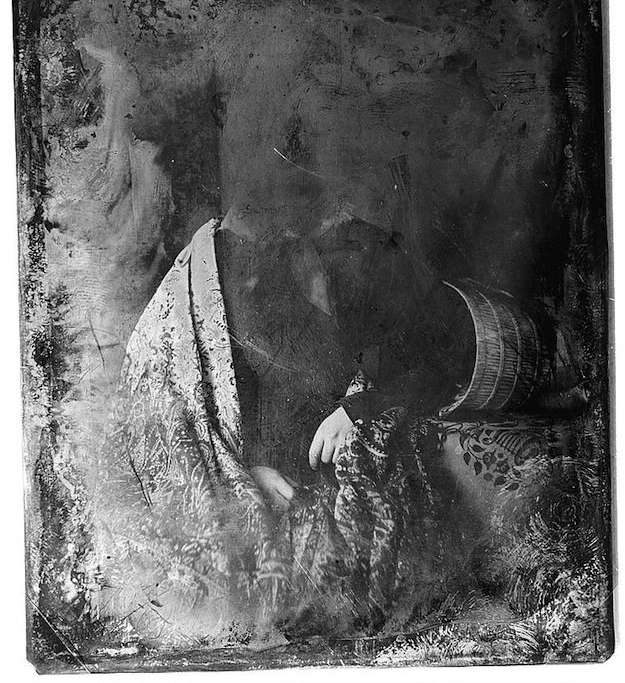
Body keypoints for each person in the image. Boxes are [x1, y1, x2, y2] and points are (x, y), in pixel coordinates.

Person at [92, 200, 473, 648]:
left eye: (274, 257)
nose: (253, 280)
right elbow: (204, 431)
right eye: (244, 270)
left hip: (340, 448)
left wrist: (357, 409)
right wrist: (248, 473)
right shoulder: (212, 319)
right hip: (270, 482)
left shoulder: (346, 271)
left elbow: (442, 362)